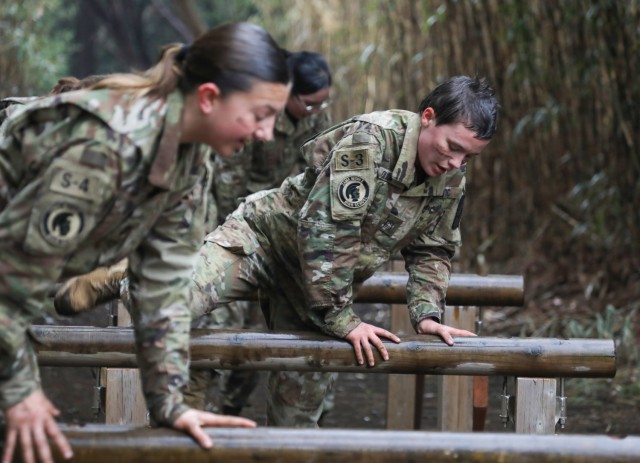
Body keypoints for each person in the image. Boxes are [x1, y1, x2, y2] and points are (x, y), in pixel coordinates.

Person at [79, 75, 499, 427]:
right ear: (428, 119)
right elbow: (326, 230)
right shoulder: (371, 140)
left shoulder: (450, 180)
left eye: (468, 157)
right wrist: (343, 318)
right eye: (451, 147)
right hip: (264, 241)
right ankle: (128, 276)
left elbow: (434, 247)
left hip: (312, 286)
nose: (455, 164)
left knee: (297, 418)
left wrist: (426, 314)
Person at [0, 21, 290, 463]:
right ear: (209, 97)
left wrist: (170, 403)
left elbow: (164, 287)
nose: (267, 133)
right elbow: (10, 282)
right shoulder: (106, 148)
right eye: (261, 114)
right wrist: (20, 392)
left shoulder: (190, 158)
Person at [194, 49, 334, 416]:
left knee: (260, 340)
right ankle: (200, 410)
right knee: (219, 326)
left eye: (322, 104)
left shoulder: (320, 122)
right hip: (243, 225)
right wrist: (226, 237)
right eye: (309, 104)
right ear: (287, 93)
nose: (316, 112)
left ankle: (229, 412)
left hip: (287, 235)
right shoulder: (256, 115)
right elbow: (228, 177)